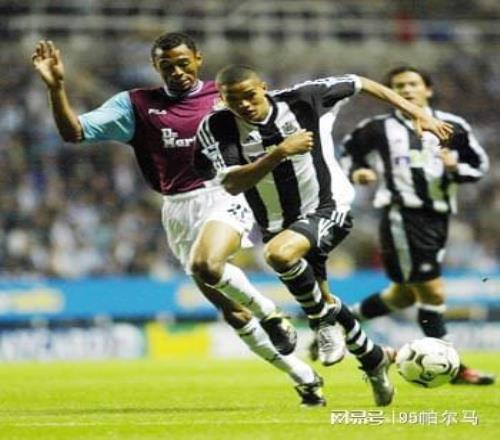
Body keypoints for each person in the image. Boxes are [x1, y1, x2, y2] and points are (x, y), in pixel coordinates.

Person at [32, 33, 327, 407]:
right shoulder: (135, 105)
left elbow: (274, 115)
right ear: (155, 66)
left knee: (208, 265)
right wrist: (56, 88)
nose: (177, 71)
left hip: (224, 192)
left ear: (198, 59)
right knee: (232, 312)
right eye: (167, 65)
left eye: (183, 63)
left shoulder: (226, 96)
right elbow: (73, 132)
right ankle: (303, 376)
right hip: (176, 208)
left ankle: (271, 314)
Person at [193, 64, 452, 405]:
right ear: (222, 99)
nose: (244, 104)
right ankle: (373, 358)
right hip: (277, 224)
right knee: (321, 296)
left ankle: (321, 322)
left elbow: (361, 82)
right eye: (233, 99)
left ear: (264, 87)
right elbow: (232, 183)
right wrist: (280, 151)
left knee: (279, 256)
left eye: (250, 95)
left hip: (328, 208)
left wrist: (418, 113)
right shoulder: (217, 126)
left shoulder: (304, 99)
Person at [341, 66, 494, 385]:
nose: (407, 90)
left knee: (403, 296)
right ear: (391, 93)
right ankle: (454, 367)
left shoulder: (453, 126)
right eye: (399, 86)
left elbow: (478, 166)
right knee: (432, 290)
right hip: (402, 215)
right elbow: (349, 152)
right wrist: (358, 172)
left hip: (439, 217)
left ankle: (341, 320)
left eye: (413, 84)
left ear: (428, 89)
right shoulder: (376, 128)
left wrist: (456, 167)